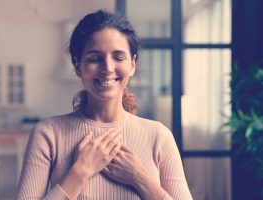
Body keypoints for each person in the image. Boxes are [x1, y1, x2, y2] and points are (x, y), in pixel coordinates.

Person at [15, 9, 193, 200]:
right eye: (94, 58)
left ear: (132, 64)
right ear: (77, 66)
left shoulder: (159, 136)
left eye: (118, 57)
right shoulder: (48, 134)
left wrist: (140, 178)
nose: (107, 68)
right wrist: (81, 172)